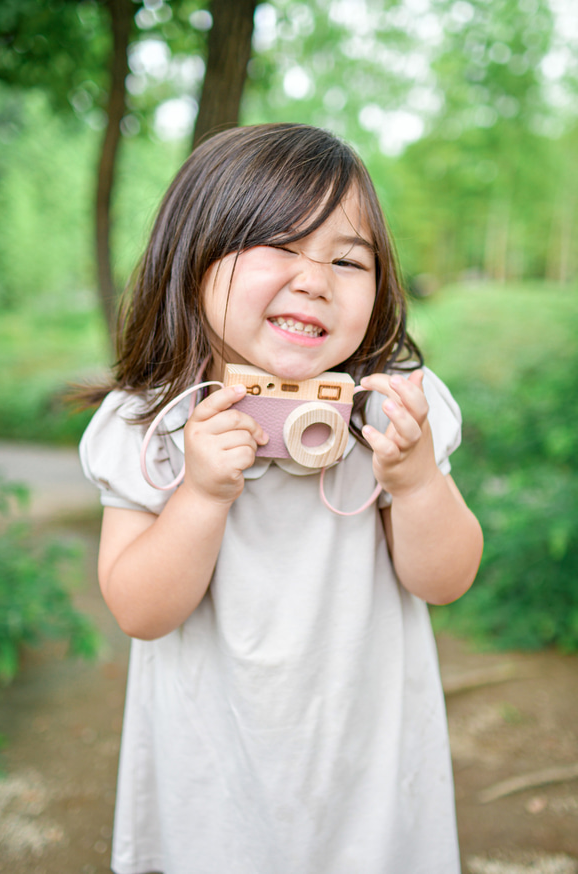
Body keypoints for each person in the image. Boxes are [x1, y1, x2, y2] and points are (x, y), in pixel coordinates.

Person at [79, 123, 483, 874]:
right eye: (280, 244)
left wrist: (417, 480)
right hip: (210, 776)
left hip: (366, 776)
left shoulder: (392, 411)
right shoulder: (150, 424)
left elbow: (446, 579)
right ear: (193, 255)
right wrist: (199, 496)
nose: (314, 278)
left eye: (347, 259)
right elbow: (140, 610)